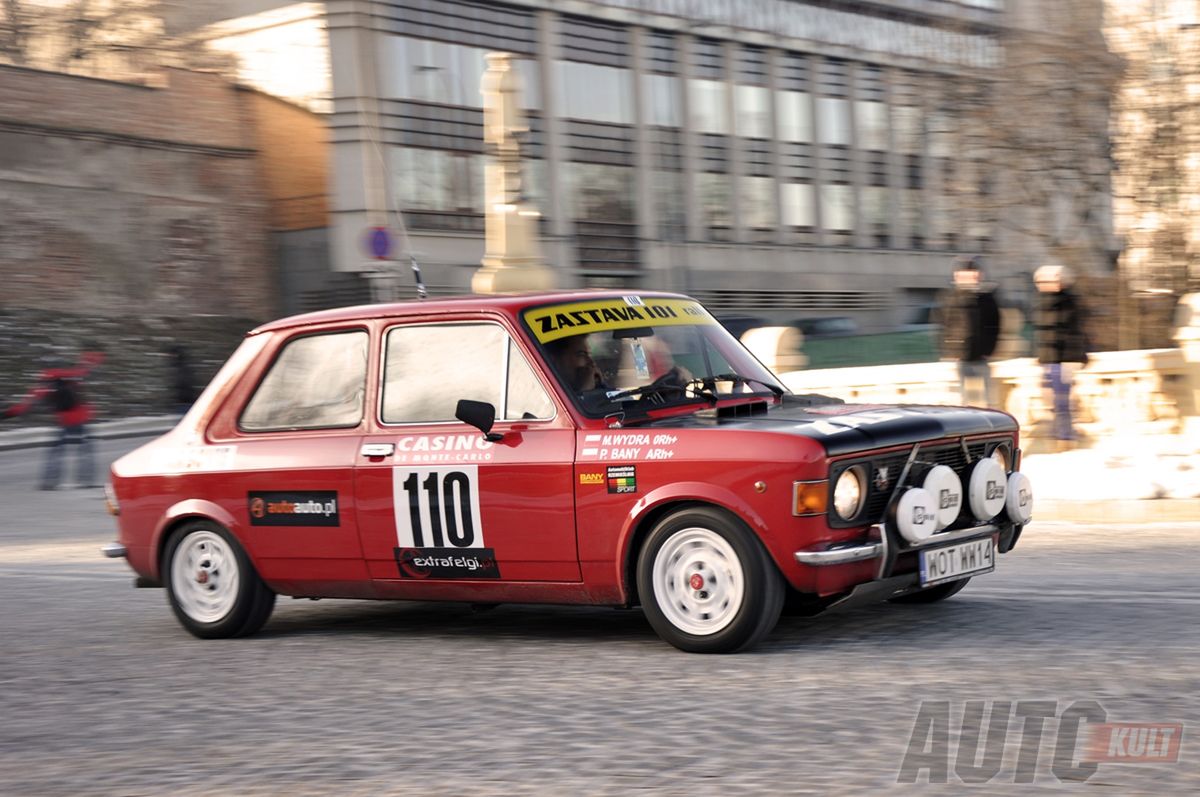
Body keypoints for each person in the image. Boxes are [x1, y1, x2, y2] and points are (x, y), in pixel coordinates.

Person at [0, 350, 105, 489]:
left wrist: (5, 415)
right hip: (81, 418)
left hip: (64, 421)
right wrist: (95, 355)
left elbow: (23, 407)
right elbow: (85, 368)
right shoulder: (71, 376)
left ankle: (50, 482)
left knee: (56, 452)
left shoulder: (44, 384)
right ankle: (86, 481)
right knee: (86, 451)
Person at [1033, 265, 1088, 448]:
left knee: (1062, 401)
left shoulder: (1068, 302)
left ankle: (1065, 438)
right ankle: (1059, 433)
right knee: (1051, 401)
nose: (1042, 285)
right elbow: (1043, 334)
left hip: (1064, 360)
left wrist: (1076, 359)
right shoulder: (1042, 302)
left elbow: (1074, 333)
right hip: (1048, 360)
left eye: (1046, 281)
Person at [937, 255, 1001, 407]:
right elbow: (944, 326)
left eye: (972, 273)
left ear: (979, 275)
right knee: (963, 400)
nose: (969, 277)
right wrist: (951, 352)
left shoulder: (987, 298)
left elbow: (994, 325)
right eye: (964, 273)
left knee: (988, 399)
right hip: (961, 356)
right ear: (957, 276)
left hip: (981, 356)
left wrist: (989, 350)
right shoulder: (949, 298)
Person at [166, 343, 199, 414]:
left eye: (170, 355)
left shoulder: (182, 368)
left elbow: (185, 384)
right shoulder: (180, 367)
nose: (169, 357)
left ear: (176, 355)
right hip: (184, 402)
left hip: (185, 403)